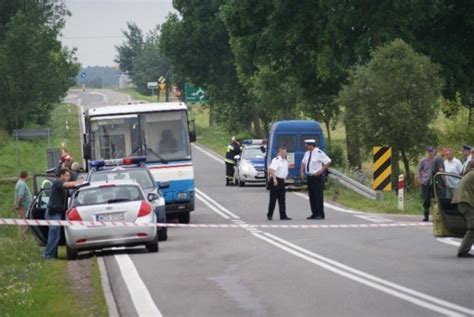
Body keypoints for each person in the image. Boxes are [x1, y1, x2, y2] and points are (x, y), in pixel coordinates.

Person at [43, 169, 82, 259]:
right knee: (53, 235)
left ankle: (53, 255)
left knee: (56, 235)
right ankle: (47, 255)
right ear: (62, 175)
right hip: (53, 213)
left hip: (58, 212)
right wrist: (78, 182)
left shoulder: (61, 185)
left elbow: (69, 187)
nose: (68, 178)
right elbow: (67, 184)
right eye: (67, 175)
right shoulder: (57, 182)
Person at [300, 139, 332, 220]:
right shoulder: (307, 153)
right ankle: (314, 213)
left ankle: (320, 214)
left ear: (311, 145)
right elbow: (303, 163)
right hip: (309, 176)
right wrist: (302, 171)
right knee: (312, 196)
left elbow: (328, 161)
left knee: (318, 195)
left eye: (307, 145)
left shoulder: (319, 153)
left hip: (317, 176)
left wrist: (321, 170)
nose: (306, 147)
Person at [451, 160, 474, 258]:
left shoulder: (468, 174)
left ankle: (464, 249)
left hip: (462, 202)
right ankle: (463, 250)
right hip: (466, 202)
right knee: (473, 227)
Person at [267, 147, 292, 221]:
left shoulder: (285, 161)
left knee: (282, 199)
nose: (284, 154)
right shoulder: (276, 160)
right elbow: (271, 170)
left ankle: (283, 215)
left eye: (285, 152)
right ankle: (270, 215)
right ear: (279, 153)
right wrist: (274, 179)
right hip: (275, 180)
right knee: (273, 199)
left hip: (282, 181)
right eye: (283, 152)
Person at [416, 147, 434, 222]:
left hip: (434, 182)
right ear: (427, 152)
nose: (430, 153)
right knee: (426, 199)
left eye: (432, 152)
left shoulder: (435, 160)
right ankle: (426, 215)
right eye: (429, 152)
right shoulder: (423, 161)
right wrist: (420, 179)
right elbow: (419, 170)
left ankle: (434, 216)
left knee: (434, 199)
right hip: (425, 181)